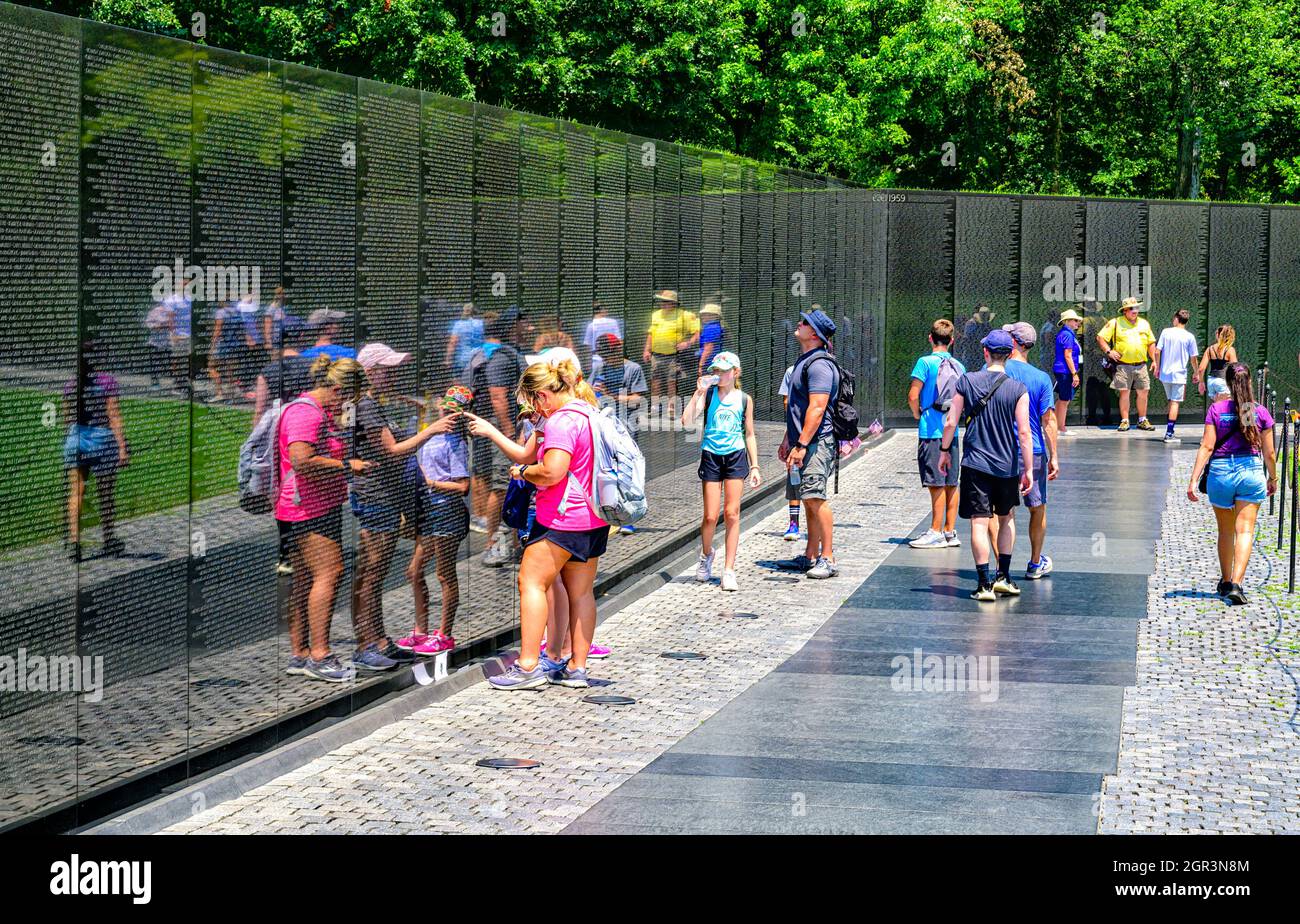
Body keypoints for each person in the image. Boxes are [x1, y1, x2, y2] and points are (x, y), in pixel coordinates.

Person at [469, 356, 608, 690]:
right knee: (581, 593)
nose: (535, 411)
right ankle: (576, 668)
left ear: (543, 396)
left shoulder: (560, 421)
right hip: (594, 516)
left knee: (530, 581)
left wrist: (524, 473)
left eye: (533, 403)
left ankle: (529, 665)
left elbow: (552, 471)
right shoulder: (590, 412)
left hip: (562, 518)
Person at [349, 343, 462, 671]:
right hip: (375, 496)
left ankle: (381, 640)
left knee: (377, 572)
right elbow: (393, 449)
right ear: (370, 372)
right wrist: (432, 431)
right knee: (372, 573)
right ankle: (367, 643)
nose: (393, 373)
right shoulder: (366, 405)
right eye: (388, 368)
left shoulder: (373, 403)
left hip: (385, 496)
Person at [277, 355, 374, 682]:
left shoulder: (318, 410)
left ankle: (300, 653)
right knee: (329, 572)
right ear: (335, 389)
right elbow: (301, 461)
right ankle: (320, 654)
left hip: (311, 506)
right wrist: (348, 466)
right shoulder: (307, 414)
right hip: (308, 508)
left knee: (305, 578)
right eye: (348, 397)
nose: (348, 404)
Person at [937, 330, 1033, 602]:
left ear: (985, 353)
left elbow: (951, 422)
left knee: (979, 523)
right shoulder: (1018, 388)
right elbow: (1024, 433)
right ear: (1011, 354)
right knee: (1006, 518)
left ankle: (983, 584)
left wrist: (945, 451)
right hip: (1007, 464)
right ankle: (1004, 577)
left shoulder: (967, 381)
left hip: (976, 463)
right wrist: (1028, 470)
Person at [1187, 363, 1277, 605]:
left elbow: (1206, 446)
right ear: (1249, 382)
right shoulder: (1256, 411)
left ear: (1227, 382)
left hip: (1221, 473)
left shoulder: (1217, 409)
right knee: (1245, 530)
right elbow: (1269, 454)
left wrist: (1194, 480)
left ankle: (1225, 581)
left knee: (1226, 531)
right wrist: (1273, 478)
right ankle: (1237, 584)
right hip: (1250, 473)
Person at [401, 385, 474, 655]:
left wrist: (432, 482)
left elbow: (463, 486)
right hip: (428, 510)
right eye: (446, 407)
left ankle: (445, 634)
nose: (447, 413)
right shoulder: (433, 433)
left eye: (454, 411)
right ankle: (421, 631)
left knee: (444, 574)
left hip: (446, 512)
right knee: (414, 570)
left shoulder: (456, 443)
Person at [682, 351, 761, 591]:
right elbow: (686, 422)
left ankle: (729, 569)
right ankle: (706, 555)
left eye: (724, 371)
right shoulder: (708, 396)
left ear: (735, 373)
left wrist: (755, 465)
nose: (719, 375)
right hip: (711, 456)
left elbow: (749, 433)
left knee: (732, 513)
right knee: (710, 515)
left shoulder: (744, 399)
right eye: (716, 370)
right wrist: (698, 393)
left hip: (735, 456)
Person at [461, 306, 532, 561]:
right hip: (499, 430)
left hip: (490, 429)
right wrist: (510, 432)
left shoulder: (488, 353)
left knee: (504, 484)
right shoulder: (502, 356)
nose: (531, 328)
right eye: (526, 323)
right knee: (502, 486)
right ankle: (494, 545)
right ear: (513, 326)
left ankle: (510, 543)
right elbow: (498, 396)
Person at [782, 308, 841, 580]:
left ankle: (827, 558)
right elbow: (796, 407)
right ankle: (809, 555)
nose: (799, 323)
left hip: (816, 443)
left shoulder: (819, 365)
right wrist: (788, 439)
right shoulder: (805, 360)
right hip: (803, 441)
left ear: (815, 334)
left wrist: (803, 444)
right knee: (808, 499)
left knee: (816, 498)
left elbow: (817, 409)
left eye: (804, 322)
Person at [1000, 322, 1059, 579]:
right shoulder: (1041, 378)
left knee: (1001, 511)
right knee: (1038, 507)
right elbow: (1049, 421)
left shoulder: (994, 371)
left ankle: (1001, 569)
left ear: (1013, 342)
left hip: (1001, 450)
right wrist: (1054, 455)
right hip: (1033, 451)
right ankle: (1035, 563)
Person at [63, 347, 127, 562]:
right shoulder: (107, 382)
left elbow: (67, 417)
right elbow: (114, 415)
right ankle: (108, 539)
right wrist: (122, 447)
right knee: (106, 493)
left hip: (76, 437)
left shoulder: (71, 385)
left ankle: (74, 542)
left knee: (76, 491)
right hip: (101, 438)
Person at [907, 319, 966, 549]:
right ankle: (950, 531)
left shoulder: (924, 363)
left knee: (935, 483)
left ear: (930, 338)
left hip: (930, 429)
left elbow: (913, 395)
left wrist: (917, 414)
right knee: (952, 482)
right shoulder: (959, 366)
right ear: (951, 341)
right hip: (952, 431)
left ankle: (935, 531)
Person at [1097, 296, 1156, 432]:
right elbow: (1100, 337)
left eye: (1136, 308)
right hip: (1122, 365)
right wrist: (1109, 351)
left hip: (1141, 365)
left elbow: (1150, 342)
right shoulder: (1115, 322)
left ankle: (1142, 420)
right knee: (1125, 393)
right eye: (1131, 309)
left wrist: (1154, 360)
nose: (1135, 311)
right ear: (1125, 311)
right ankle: (1125, 420)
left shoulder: (1144, 323)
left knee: (1143, 392)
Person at [642, 290, 699, 418]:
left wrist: (688, 343)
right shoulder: (656, 315)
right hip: (656, 354)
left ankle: (671, 408)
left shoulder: (684, 315)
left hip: (674, 355)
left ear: (674, 303)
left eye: (666, 301)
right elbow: (651, 333)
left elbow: (697, 332)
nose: (663, 304)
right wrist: (647, 349)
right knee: (655, 380)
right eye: (661, 301)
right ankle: (655, 408)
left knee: (671, 381)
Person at [1153, 309, 1201, 444]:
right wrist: (1196, 372)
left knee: (1170, 401)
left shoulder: (1166, 332)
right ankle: (1169, 433)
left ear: (1176, 318)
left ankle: (1170, 430)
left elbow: (1157, 352)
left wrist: (1157, 366)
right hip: (1179, 374)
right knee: (1175, 402)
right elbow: (1193, 358)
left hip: (1165, 373)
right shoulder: (1189, 336)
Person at [777, 363, 801, 541]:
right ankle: (794, 524)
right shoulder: (791, 372)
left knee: (812, 485)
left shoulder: (824, 368)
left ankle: (817, 529)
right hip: (795, 436)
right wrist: (787, 437)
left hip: (816, 438)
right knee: (794, 479)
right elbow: (788, 406)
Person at [1052, 307, 1083, 436]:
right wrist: (1074, 374)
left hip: (1063, 370)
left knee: (1062, 399)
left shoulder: (1067, 334)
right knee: (1065, 400)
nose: (1078, 323)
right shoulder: (1067, 335)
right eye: (1075, 320)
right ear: (1068, 321)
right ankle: (1061, 428)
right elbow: (1068, 355)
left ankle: (1055, 425)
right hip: (1065, 371)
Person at [1197, 324, 1237, 402]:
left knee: (1216, 406)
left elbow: (1201, 368)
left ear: (1218, 334)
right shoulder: (1230, 350)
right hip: (1223, 381)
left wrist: (1201, 382)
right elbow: (1235, 368)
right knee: (1225, 407)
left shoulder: (1210, 349)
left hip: (1211, 381)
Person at [444, 303, 483, 375]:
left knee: (459, 384)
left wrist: (448, 359)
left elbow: (453, 343)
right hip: (479, 359)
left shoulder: (458, 324)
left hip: (463, 361)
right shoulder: (481, 323)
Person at [582, 301, 623, 367]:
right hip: (612, 358)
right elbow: (619, 341)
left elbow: (588, 346)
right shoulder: (613, 322)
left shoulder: (591, 325)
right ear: (602, 310)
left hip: (596, 359)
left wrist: (587, 363)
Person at [694, 303, 726, 377]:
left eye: (707, 314)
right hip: (714, 361)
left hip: (708, 363)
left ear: (715, 316)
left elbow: (708, 348)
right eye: (704, 314)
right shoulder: (717, 326)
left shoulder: (711, 328)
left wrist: (701, 365)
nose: (704, 316)